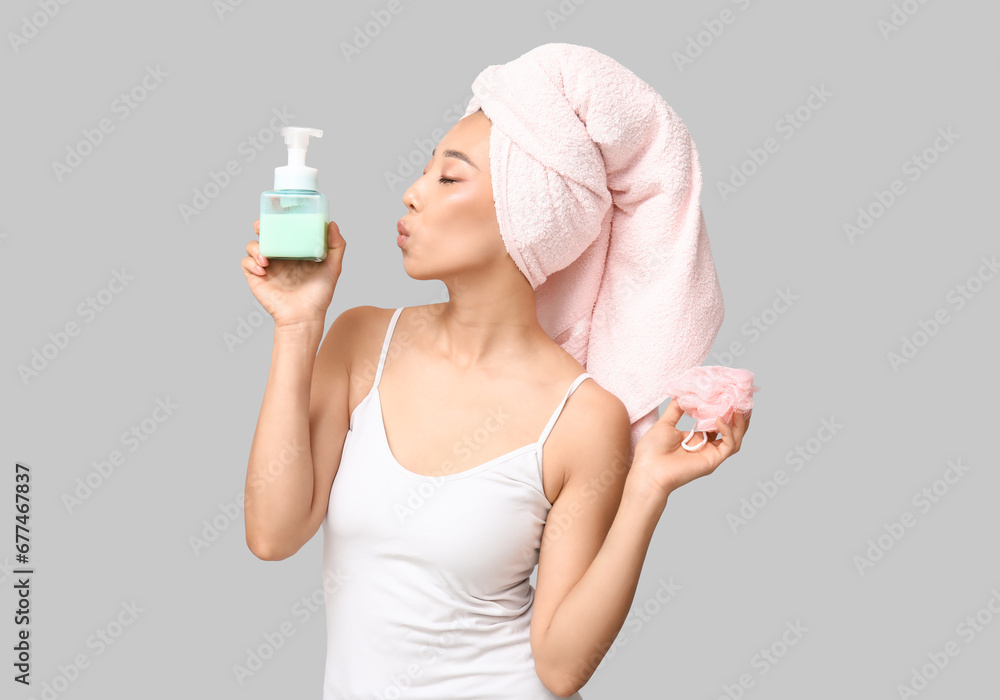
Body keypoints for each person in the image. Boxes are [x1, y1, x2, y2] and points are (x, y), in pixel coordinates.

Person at [241, 108, 750, 698]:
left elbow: (560, 668)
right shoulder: (361, 342)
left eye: (449, 178)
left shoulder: (582, 418)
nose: (412, 194)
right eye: (425, 170)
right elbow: (273, 534)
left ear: (527, 212)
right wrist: (298, 324)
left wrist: (646, 489)